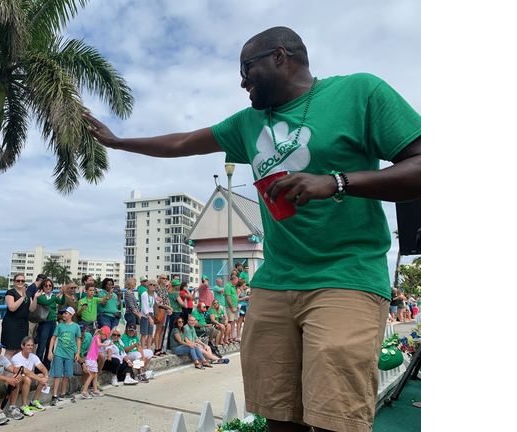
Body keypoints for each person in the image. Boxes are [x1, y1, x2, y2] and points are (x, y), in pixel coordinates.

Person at [82, 25, 421, 432]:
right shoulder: (249, 122)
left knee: (337, 418)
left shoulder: (360, 93)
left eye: (247, 68)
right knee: (278, 415)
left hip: (345, 277)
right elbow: (182, 141)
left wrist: (336, 182)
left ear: (280, 56)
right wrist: (119, 142)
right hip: (275, 284)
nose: (242, 81)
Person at [48, 306, 82, 405]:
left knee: (67, 374)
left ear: (71, 315)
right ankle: (54, 395)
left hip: (70, 353)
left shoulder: (76, 326)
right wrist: (50, 351)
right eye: (63, 313)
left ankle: (63, 393)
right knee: (57, 374)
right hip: (59, 352)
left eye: (66, 313)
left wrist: (78, 353)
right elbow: (53, 338)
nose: (63, 315)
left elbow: (78, 340)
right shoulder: (60, 326)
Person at [9, 337, 50, 416]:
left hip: (28, 378)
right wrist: (41, 380)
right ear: (22, 346)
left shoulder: (33, 356)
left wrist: (46, 376)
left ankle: (34, 401)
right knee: (28, 379)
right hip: (16, 381)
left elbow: (42, 367)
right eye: (28, 345)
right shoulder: (16, 358)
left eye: (31, 345)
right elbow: (26, 372)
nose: (30, 347)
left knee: (42, 376)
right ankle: (23, 406)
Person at [1, 273, 39, 358]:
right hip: (11, 324)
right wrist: (22, 297)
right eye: (18, 280)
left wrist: (35, 297)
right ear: (14, 282)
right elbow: (12, 307)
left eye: (22, 281)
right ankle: (6, 370)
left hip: (23, 324)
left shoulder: (28, 293)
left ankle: (17, 370)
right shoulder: (10, 292)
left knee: (20, 349)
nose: (20, 282)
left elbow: (31, 309)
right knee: (10, 350)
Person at [36, 277, 64, 368]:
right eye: (46, 285)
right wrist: (58, 295)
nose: (48, 287)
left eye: (50, 285)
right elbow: (47, 303)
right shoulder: (41, 296)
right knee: (41, 346)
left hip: (53, 321)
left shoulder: (52, 296)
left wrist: (63, 294)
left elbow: (61, 302)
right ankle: (38, 368)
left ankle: (47, 366)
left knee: (50, 346)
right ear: (43, 287)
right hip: (44, 322)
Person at [80, 328, 112, 398]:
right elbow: (98, 344)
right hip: (91, 359)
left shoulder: (98, 338)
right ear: (103, 333)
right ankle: (84, 391)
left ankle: (95, 391)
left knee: (95, 375)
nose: (105, 338)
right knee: (91, 375)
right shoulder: (97, 337)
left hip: (93, 359)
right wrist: (107, 345)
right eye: (105, 336)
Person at [152, 274, 173, 356]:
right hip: (160, 309)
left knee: (162, 330)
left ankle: (160, 348)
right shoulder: (157, 288)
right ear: (160, 279)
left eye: (166, 278)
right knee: (158, 329)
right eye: (163, 278)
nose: (165, 280)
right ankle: (156, 348)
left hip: (165, 309)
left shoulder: (165, 288)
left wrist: (168, 307)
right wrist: (169, 307)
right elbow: (159, 301)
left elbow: (165, 299)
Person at [165, 278, 187, 353]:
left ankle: (168, 345)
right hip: (176, 312)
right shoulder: (176, 293)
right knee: (175, 329)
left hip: (172, 312)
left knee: (171, 328)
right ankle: (173, 344)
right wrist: (185, 305)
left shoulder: (170, 293)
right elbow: (181, 302)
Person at [139, 280, 158, 353]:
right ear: (148, 286)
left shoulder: (154, 294)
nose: (152, 286)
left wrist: (160, 300)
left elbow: (158, 302)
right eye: (151, 285)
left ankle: (149, 350)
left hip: (151, 313)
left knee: (150, 334)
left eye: (154, 285)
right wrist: (149, 317)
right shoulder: (144, 294)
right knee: (144, 334)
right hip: (145, 315)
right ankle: (142, 350)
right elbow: (144, 307)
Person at [26, 274, 47, 339]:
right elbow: (29, 300)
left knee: (34, 337)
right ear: (40, 281)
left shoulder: (39, 289)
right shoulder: (31, 287)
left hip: (37, 316)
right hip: (31, 316)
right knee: (29, 335)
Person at [224, 275, 240, 343]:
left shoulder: (233, 286)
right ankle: (229, 336)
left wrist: (236, 306)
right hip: (230, 307)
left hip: (234, 307)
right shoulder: (228, 286)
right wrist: (232, 307)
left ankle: (232, 335)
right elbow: (228, 298)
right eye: (237, 280)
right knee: (230, 321)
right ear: (234, 280)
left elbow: (234, 297)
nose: (237, 282)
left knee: (233, 321)